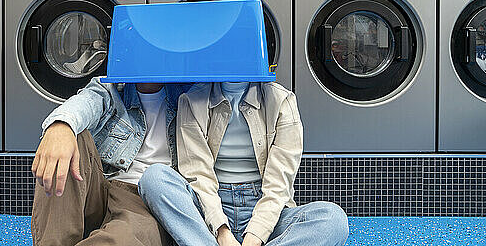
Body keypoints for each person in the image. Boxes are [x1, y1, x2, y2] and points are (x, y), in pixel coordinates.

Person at [138, 82, 350, 246]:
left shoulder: (282, 100)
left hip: (264, 207)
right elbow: (198, 175)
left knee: (332, 219)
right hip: (209, 208)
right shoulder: (192, 99)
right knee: (154, 177)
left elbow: (279, 185)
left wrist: (256, 234)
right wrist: (222, 231)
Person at [30, 78, 189, 246]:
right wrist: (61, 125)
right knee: (69, 138)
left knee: (121, 239)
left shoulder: (192, 93)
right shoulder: (111, 87)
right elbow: (86, 102)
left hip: (144, 200)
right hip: (100, 186)